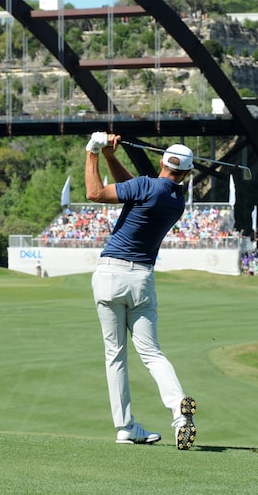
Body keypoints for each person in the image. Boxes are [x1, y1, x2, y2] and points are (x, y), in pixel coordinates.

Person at [83, 131, 197, 450]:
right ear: (186, 174)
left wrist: (93, 151)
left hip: (109, 276)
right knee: (151, 352)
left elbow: (95, 193)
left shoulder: (146, 186)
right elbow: (133, 188)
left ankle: (125, 426)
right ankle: (178, 412)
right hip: (142, 280)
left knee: (115, 355)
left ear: (161, 161)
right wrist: (111, 157)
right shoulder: (175, 200)